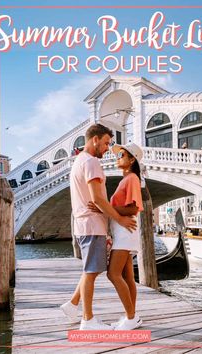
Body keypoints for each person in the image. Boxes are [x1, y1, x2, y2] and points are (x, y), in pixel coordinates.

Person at [60, 124, 137, 330]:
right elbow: (98, 199)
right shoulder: (92, 162)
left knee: (90, 270)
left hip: (86, 225)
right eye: (105, 143)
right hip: (91, 225)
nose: (106, 148)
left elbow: (95, 200)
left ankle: (73, 305)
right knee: (91, 272)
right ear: (95, 140)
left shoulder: (79, 162)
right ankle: (88, 319)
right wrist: (119, 220)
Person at [87, 143, 144, 330]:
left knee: (113, 274)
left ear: (132, 159)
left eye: (121, 154)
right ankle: (131, 316)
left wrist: (103, 207)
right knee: (127, 276)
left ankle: (131, 316)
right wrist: (107, 210)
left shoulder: (132, 178)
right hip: (122, 229)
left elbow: (134, 208)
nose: (117, 157)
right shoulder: (126, 179)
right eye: (118, 154)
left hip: (125, 229)